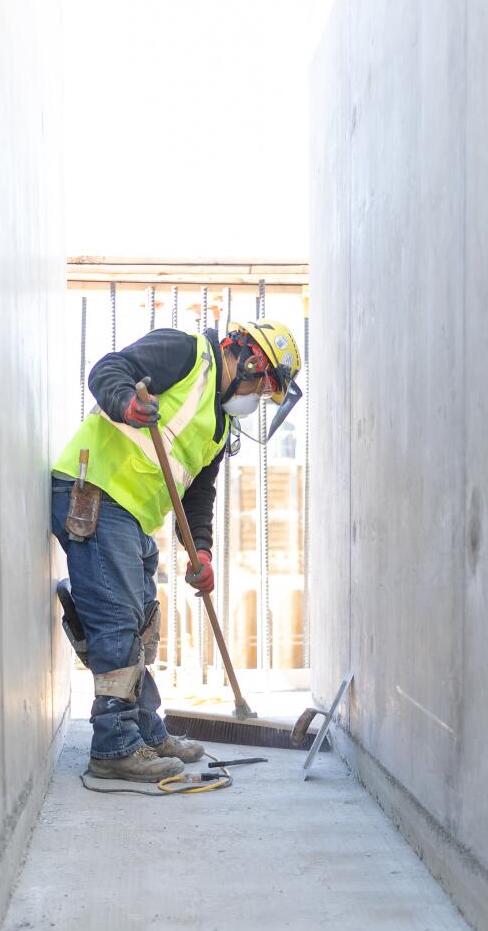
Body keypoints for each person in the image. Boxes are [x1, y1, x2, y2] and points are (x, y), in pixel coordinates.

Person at [49, 316, 303, 780]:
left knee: (142, 626)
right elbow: (108, 369)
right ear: (248, 358)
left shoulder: (221, 426)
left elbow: (198, 498)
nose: (259, 398)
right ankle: (113, 748)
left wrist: (200, 552)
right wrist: (126, 403)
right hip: (96, 493)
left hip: (132, 515)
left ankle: (145, 731)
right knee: (117, 622)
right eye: (263, 387)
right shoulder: (187, 353)